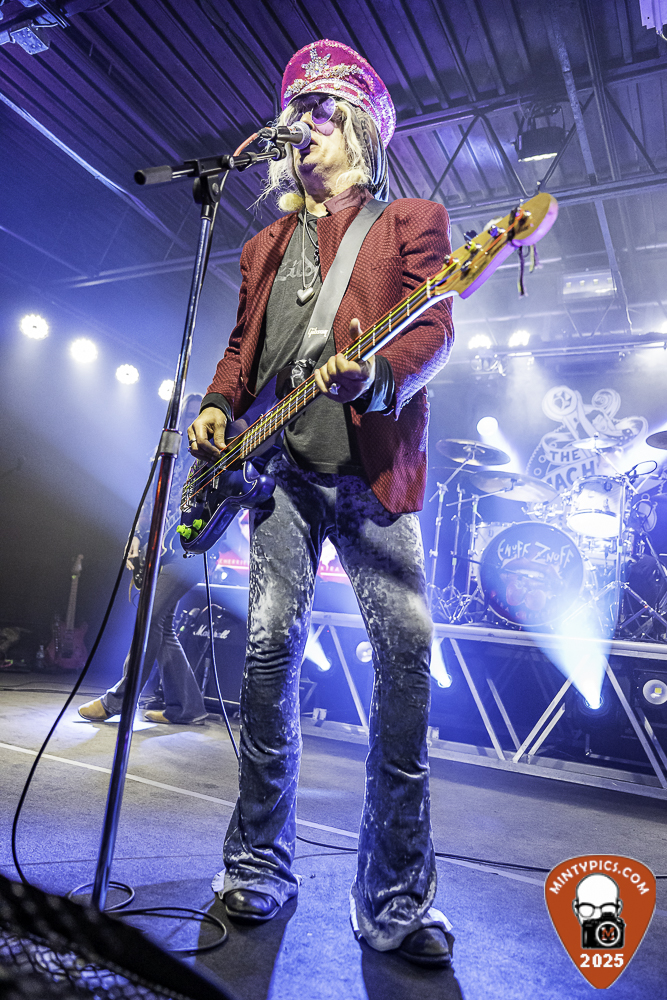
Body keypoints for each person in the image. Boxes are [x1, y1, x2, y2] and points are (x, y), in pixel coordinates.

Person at [189, 40, 455, 967]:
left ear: (359, 126)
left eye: (318, 109)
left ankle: (395, 898)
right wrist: (217, 404)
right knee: (268, 650)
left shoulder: (411, 220)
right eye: (292, 111)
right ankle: (258, 865)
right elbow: (242, 348)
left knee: (407, 657)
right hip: (281, 475)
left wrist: (374, 377)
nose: (300, 126)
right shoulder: (262, 245)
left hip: (374, 476)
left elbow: (433, 328)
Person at [79, 394, 207, 726]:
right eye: (185, 416)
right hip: (161, 550)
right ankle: (188, 707)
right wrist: (137, 536)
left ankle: (118, 700)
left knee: (149, 618)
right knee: (162, 626)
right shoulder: (168, 457)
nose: (190, 423)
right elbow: (152, 500)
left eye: (196, 415)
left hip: (191, 551)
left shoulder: (209, 456)